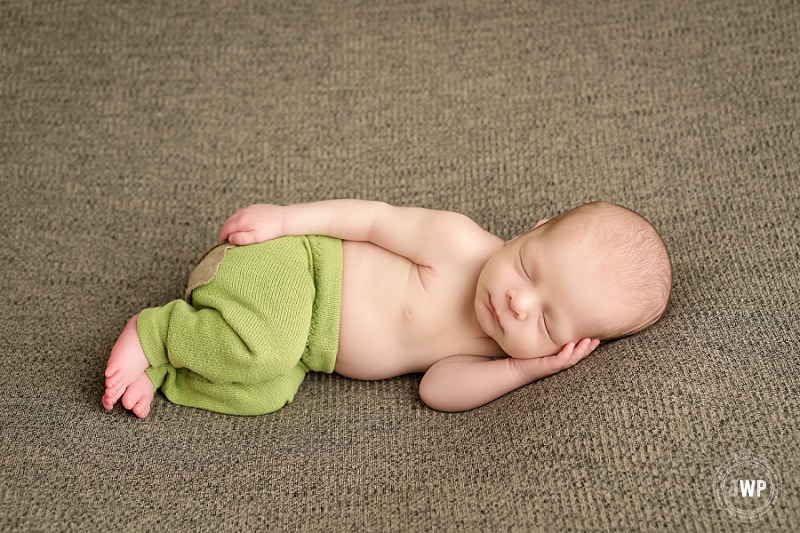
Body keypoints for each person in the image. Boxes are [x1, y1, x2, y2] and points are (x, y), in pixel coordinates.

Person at [102, 200, 672, 418]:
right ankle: (155, 332)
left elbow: (436, 392)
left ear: (566, 347)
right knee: (264, 346)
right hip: (291, 270)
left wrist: (521, 371)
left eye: (547, 322)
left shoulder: (489, 349)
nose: (518, 302)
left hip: (305, 348)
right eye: (528, 268)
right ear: (534, 229)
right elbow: (373, 220)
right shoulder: (459, 244)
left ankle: (168, 369)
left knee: (266, 390)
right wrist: (286, 221)